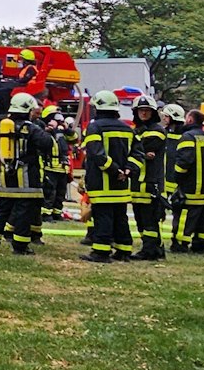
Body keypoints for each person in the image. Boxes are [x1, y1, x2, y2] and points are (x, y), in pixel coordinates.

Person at [0, 92, 50, 254]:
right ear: (27, 109)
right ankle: (20, 247)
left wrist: (3, 162)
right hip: (27, 183)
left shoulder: (2, 128)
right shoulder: (31, 128)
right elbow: (48, 144)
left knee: (1, 211)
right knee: (23, 214)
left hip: (6, 180)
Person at [79, 89, 138, 262]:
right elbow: (138, 153)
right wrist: (127, 170)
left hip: (102, 182)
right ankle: (124, 250)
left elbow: (96, 154)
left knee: (103, 216)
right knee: (120, 217)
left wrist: (114, 170)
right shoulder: (128, 128)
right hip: (121, 184)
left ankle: (101, 252)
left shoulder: (94, 127)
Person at [168, 110, 204, 253]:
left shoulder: (187, 137)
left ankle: (180, 244)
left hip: (192, 188)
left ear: (190, 119)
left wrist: (177, 178)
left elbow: (184, 162)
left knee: (185, 217)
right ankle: (201, 245)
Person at [128, 96, 170, 261]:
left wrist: (137, 151)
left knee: (150, 219)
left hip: (151, 182)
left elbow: (137, 148)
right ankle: (156, 249)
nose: (143, 113)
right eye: (140, 110)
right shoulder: (137, 130)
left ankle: (150, 251)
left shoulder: (156, 131)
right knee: (140, 218)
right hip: (138, 182)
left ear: (153, 113)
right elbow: (138, 150)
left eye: (147, 111)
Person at [41, 104, 74, 222]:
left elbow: (74, 138)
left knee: (61, 194)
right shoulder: (44, 132)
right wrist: (51, 129)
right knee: (49, 193)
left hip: (62, 168)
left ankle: (57, 214)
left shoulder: (62, 132)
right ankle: (46, 215)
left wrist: (66, 128)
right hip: (50, 168)